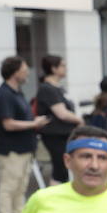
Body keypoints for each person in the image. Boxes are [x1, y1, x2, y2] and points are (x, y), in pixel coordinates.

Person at [0, 56, 47, 213]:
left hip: (23, 148)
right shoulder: (4, 94)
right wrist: (33, 123)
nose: (27, 72)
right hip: (11, 150)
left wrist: (32, 123)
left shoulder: (17, 92)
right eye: (24, 69)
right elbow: (8, 124)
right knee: (8, 188)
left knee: (20, 188)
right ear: (15, 72)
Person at [35, 54, 81, 185]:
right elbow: (62, 113)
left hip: (63, 134)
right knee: (60, 169)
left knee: (63, 168)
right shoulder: (47, 88)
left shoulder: (56, 88)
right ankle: (54, 199)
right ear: (53, 69)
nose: (66, 68)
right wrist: (79, 120)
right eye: (62, 65)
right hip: (55, 134)